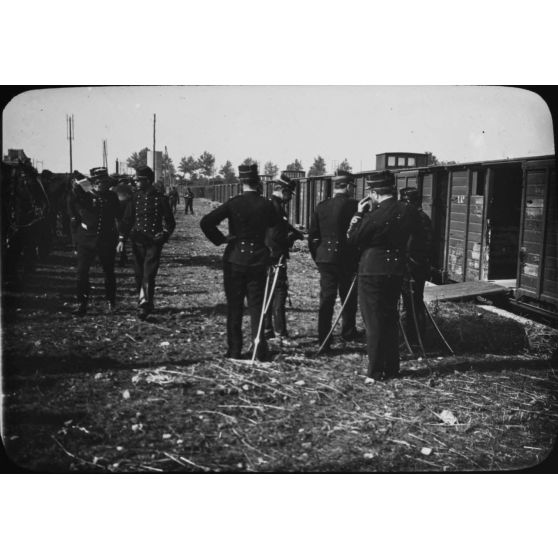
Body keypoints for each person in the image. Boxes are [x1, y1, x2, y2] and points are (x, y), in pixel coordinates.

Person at [346, 170, 420, 380]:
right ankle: (392, 368)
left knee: (374, 321)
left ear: (374, 192)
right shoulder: (408, 211)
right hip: (395, 270)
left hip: (372, 271)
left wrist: (359, 214)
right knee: (390, 318)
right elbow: (418, 236)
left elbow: (352, 238)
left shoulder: (373, 215)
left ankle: (375, 371)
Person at [200, 164, 278, 360]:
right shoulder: (266, 204)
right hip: (258, 260)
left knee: (234, 306)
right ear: (258, 182)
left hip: (234, 258)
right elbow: (276, 230)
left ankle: (234, 350)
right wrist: (272, 251)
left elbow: (206, 222)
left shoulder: (233, 203)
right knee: (256, 306)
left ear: (240, 181)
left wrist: (221, 239)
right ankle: (259, 348)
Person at [307, 171, 360, 352]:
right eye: (352, 186)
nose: (353, 189)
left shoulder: (321, 206)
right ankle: (348, 331)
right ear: (346, 186)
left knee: (327, 299)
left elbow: (313, 235)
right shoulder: (355, 206)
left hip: (326, 259)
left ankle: (324, 339)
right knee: (349, 297)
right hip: (347, 259)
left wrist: (319, 258)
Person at [117, 166, 176, 320]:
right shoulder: (134, 198)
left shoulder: (161, 199)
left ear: (148, 180)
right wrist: (122, 238)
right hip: (137, 241)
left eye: (138, 179)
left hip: (153, 242)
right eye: (135, 179)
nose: (135, 182)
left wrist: (164, 234)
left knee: (148, 274)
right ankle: (145, 301)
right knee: (138, 274)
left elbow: (170, 222)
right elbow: (127, 220)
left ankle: (144, 305)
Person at [67, 167, 122, 316]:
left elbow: (119, 217)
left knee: (109, 272)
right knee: (81, 273)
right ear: (93, 182)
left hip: (106, 240)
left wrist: (121, 237)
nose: (100, 184)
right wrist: (79, 180)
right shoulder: (84, 195)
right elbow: (74, 198)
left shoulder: (112, 197)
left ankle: (111, 301)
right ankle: (82, 304)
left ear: (107, 183)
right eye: (97, 182)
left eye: (103, 181)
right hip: (86, 239)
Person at [263, 175, 304, 343]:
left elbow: (281, 227)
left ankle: (267, 329)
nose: (290, 198)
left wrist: (294, 230)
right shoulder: (276, 208)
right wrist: (293, 238)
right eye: (289, 194)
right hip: (275, 257)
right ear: (282, 191)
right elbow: (276, 237)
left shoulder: (273, 205)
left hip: (269, 256)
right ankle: (280, 332)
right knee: (278, 292)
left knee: (268, 293)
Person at [399, 187, 434, 348]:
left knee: (413, 304)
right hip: (415, 266)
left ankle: (415, 339)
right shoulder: (421, 217)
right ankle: (412, 337)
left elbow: (417, 247)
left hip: (414, 267)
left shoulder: (418, 218)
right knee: (412, 303)